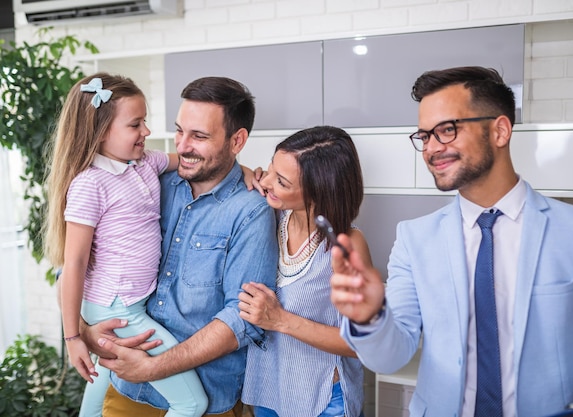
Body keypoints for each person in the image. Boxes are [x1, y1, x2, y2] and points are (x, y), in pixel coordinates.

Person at [329, 66, 573, 417]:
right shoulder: (414, 237)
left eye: (447, 130)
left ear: (500, 130)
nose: (431, 149)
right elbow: (392, 356)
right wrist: (370, 318)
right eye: (424, 136)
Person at [78, 76, 278, 417]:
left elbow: (242, 320)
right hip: (126, 388)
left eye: (199, 136)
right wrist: (86, 330)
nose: (182, 146)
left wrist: (153, 368)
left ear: (237, 140)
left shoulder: (251, 211)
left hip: (206, 403)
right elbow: (86, 264)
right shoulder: (148, 181)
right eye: (179, 130)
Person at [44, 72, 208, 417]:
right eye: (136, 124)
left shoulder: (146, 162)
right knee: (192, 403)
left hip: (127, 303)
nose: (146, 131)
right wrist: (73, 337)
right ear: (102, 132)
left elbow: (193, 162)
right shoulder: (91, 184)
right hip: (116, 311)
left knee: (95, 401)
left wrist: (248, 172)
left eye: (144, 121)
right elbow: (72, 264)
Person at [237, 126, 370, 417]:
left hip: (321, 400)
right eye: (270, 168)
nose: (268, 181)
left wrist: (280, 320)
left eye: (282, 181)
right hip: (267, 392)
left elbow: (361, 342)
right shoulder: (267, 216)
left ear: (319, 192)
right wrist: (242, 172)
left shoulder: (347, 245)